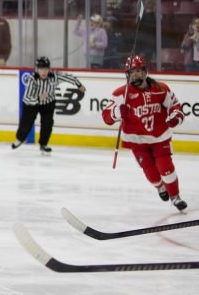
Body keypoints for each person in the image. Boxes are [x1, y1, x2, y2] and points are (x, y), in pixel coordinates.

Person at [102, 55, 187, 211]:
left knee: (166, 167)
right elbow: (106, 116)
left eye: (140, 71)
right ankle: (160, 187)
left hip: (159, 136)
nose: (137, 74)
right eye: (133, 71)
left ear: (146, 71)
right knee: (150, 170)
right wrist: (116, 113)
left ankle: (175, 197)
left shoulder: (161, 88)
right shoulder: (121, 94)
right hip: (136, 140)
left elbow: (176, 107)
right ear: (127, 74)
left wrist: (176, 118)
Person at [11, 57, 85, 153]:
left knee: (47, 124)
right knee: (26, 122)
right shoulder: (32, 80)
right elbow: (27, 98)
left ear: (49, 69)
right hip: (31, 103)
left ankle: (43, 144)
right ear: (36, 69)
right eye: (41, 69)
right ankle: (20, 139)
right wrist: (38, 98)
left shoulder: (54, 76)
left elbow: (68, 77)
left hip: (48, 103)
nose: (44, 72)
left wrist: (79, 85)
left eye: (46, 69)